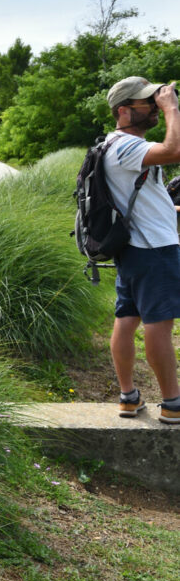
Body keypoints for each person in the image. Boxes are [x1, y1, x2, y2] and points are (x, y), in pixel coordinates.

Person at [102, 78, 180, 423]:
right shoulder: (126, 146)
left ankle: (129, 397)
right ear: (124, 110)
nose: (155, 106)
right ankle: (173, 404)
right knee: (158, 325)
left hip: (136, 248)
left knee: (126, 319)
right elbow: (175, 150)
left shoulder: (115, 145)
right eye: (147, 102)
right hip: (153, 249)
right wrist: (172, 109)